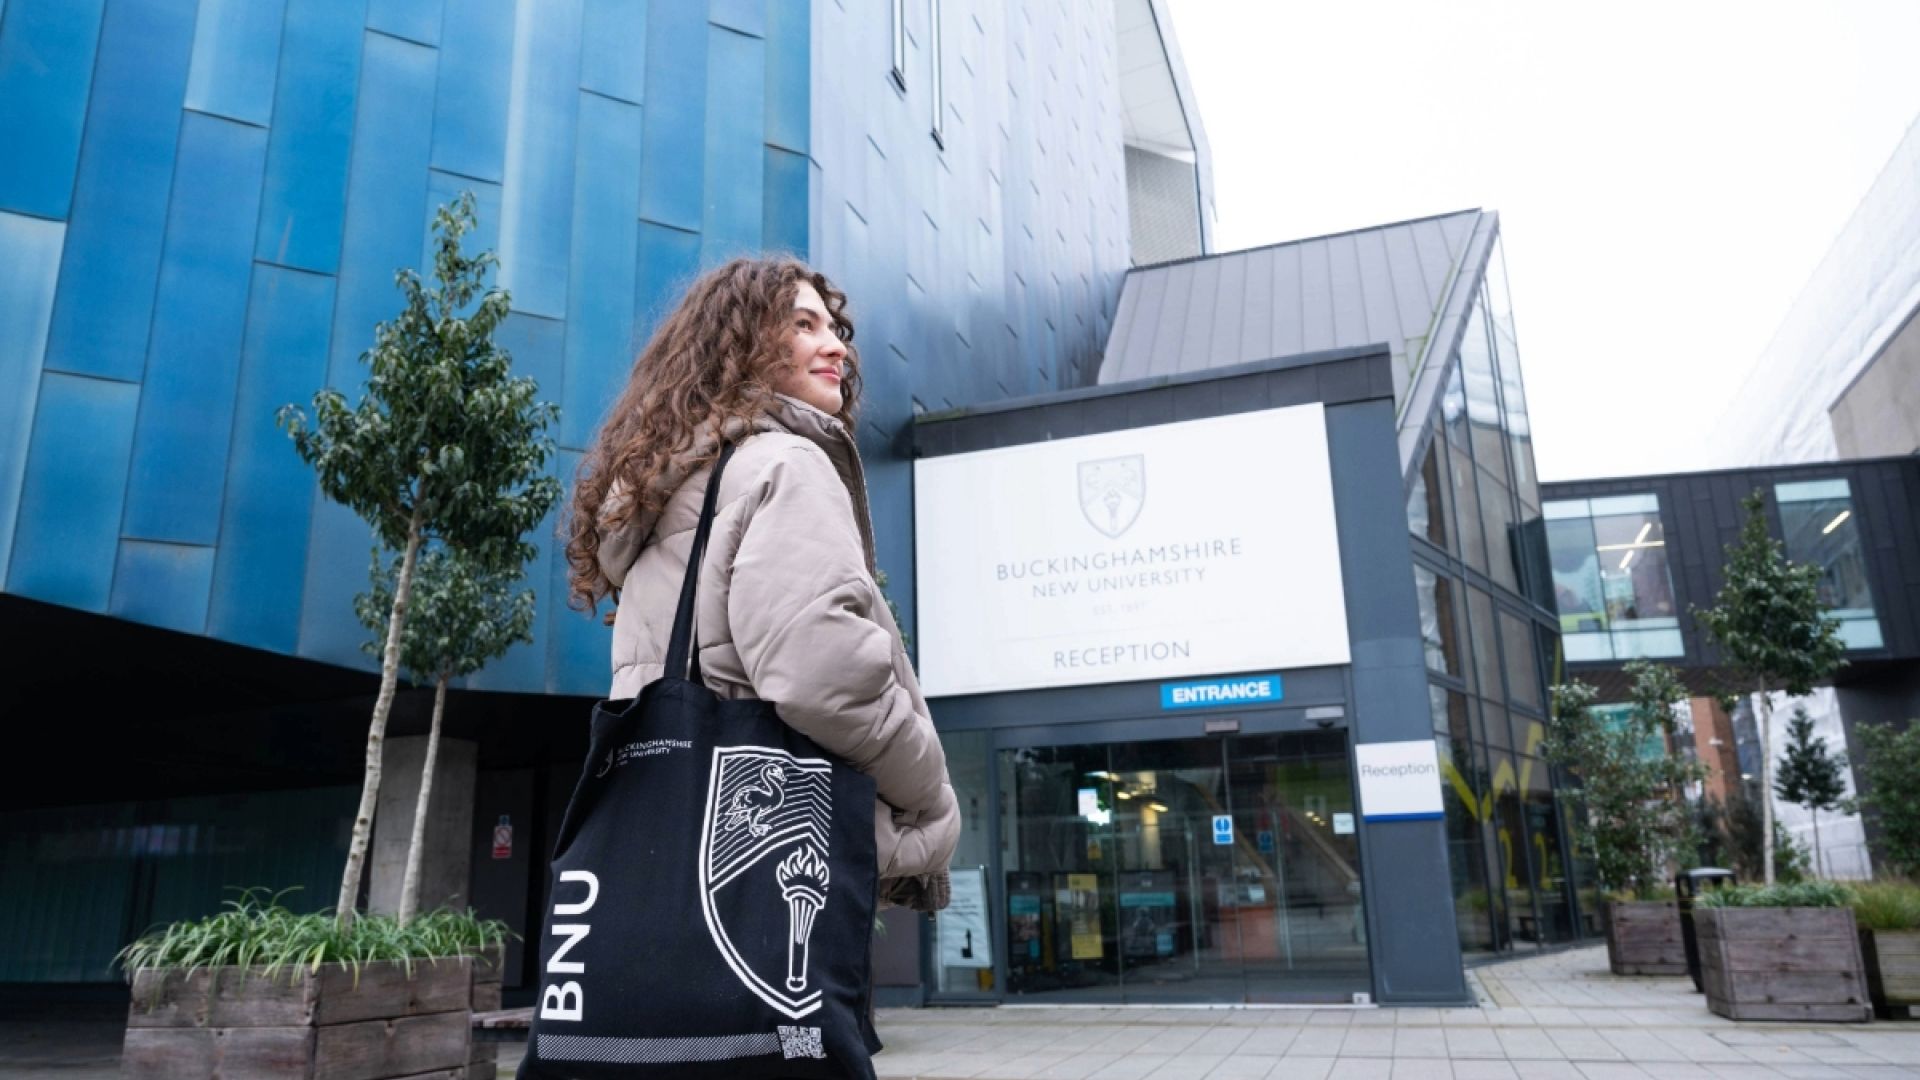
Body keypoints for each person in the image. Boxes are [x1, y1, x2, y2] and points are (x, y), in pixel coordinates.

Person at [565, 256, 958, 913]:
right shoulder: (786, 464)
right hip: (766, 856)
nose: (835, 345)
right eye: (803, 325)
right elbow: (823, 676)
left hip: (672, 837)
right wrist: (929, 790)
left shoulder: (676, 491)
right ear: (741, 344)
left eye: (834, 328)